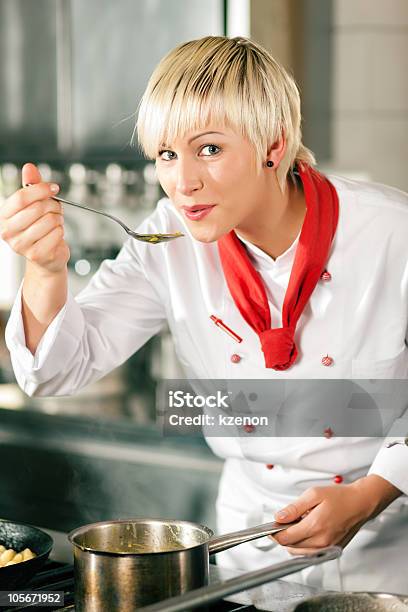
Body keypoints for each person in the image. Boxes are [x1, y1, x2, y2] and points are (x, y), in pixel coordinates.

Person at [1, 36, 408, 593]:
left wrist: (371, 493)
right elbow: (55, 371)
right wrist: (46, 270)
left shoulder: (392, 233)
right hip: (251, 547)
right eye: (166, 154)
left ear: (274, 144)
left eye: (209, 149)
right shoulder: (167, 238)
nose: (183, 182)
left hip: (386, 548)